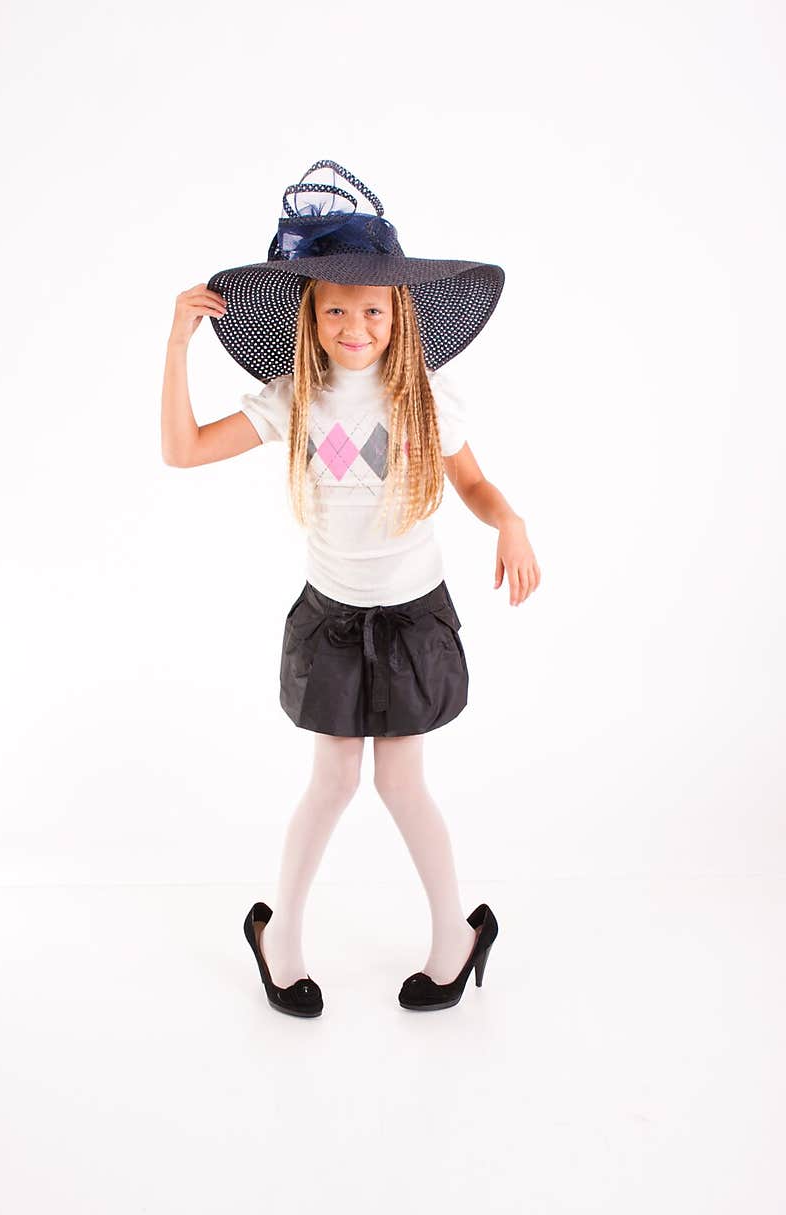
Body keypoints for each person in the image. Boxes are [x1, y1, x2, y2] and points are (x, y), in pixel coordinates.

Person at [160, 160, 540, 1019]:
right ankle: (279, 937)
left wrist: (509, 518)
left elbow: (476, 487)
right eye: (336, 307)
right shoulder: (294, 397)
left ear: (398, 313)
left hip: (413, 614)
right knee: (332, 780)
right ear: (312, 315)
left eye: (372, 308)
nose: (355, 324)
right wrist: (177, 342)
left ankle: (457, 937)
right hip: (331, 616)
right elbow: (181, 451)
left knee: (401, 783)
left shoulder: (427, 399)